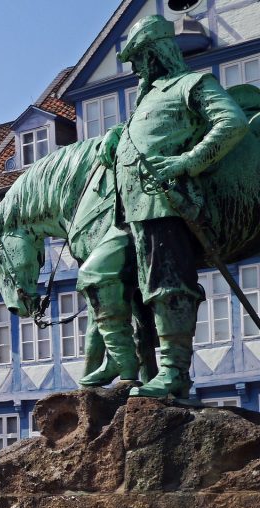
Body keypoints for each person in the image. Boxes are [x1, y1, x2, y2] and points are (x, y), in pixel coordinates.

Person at [94, 14, 249, 398]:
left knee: (168, 286)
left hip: (165, 203)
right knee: (114, 281)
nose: (134, 69)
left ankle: (175, 372)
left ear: (156, 53)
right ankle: (132, 364)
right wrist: (117, 137)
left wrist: (186, 163)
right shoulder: (145, 100)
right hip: (132, 211)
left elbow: (233, 122)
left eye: (138, 58)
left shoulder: (191, 84)